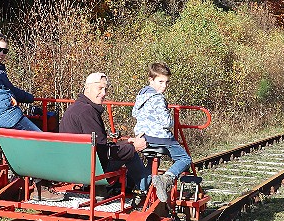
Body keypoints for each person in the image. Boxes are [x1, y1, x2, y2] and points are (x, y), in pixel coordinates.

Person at [0, 33, 63, 201]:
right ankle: (41, 189)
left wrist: (30, 98)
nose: (1, 53)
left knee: (23, 146)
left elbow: (9, 89)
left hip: (4, 114)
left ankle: (19, 176)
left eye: (4, 51)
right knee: (42, 142)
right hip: (5, 115)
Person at [59, 72, 150, 195]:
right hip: (89, 170)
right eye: (100, 88)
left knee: (127, 147)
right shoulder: (88, 112)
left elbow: (99, 147)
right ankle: (147, 188)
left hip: (72, 166)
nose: (104, 93)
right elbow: (103, 153)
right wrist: (133, 147)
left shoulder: (75, 108)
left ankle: (128, 187)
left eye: (105, 89)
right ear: (87, 87)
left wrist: (125, 142)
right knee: (131, 153)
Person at [132, 62, 192, 202]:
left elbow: (135, 113)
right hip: (161, 138)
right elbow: (166, 122)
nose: (164, 86)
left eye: (166, 82)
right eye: (160, 81)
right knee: (185, 159)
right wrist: (171, 118)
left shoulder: (141, 95)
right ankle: (166, 179)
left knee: (152, 162)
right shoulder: (158, 98)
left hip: (144, 137)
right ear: (151, 79)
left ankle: (142, 188)